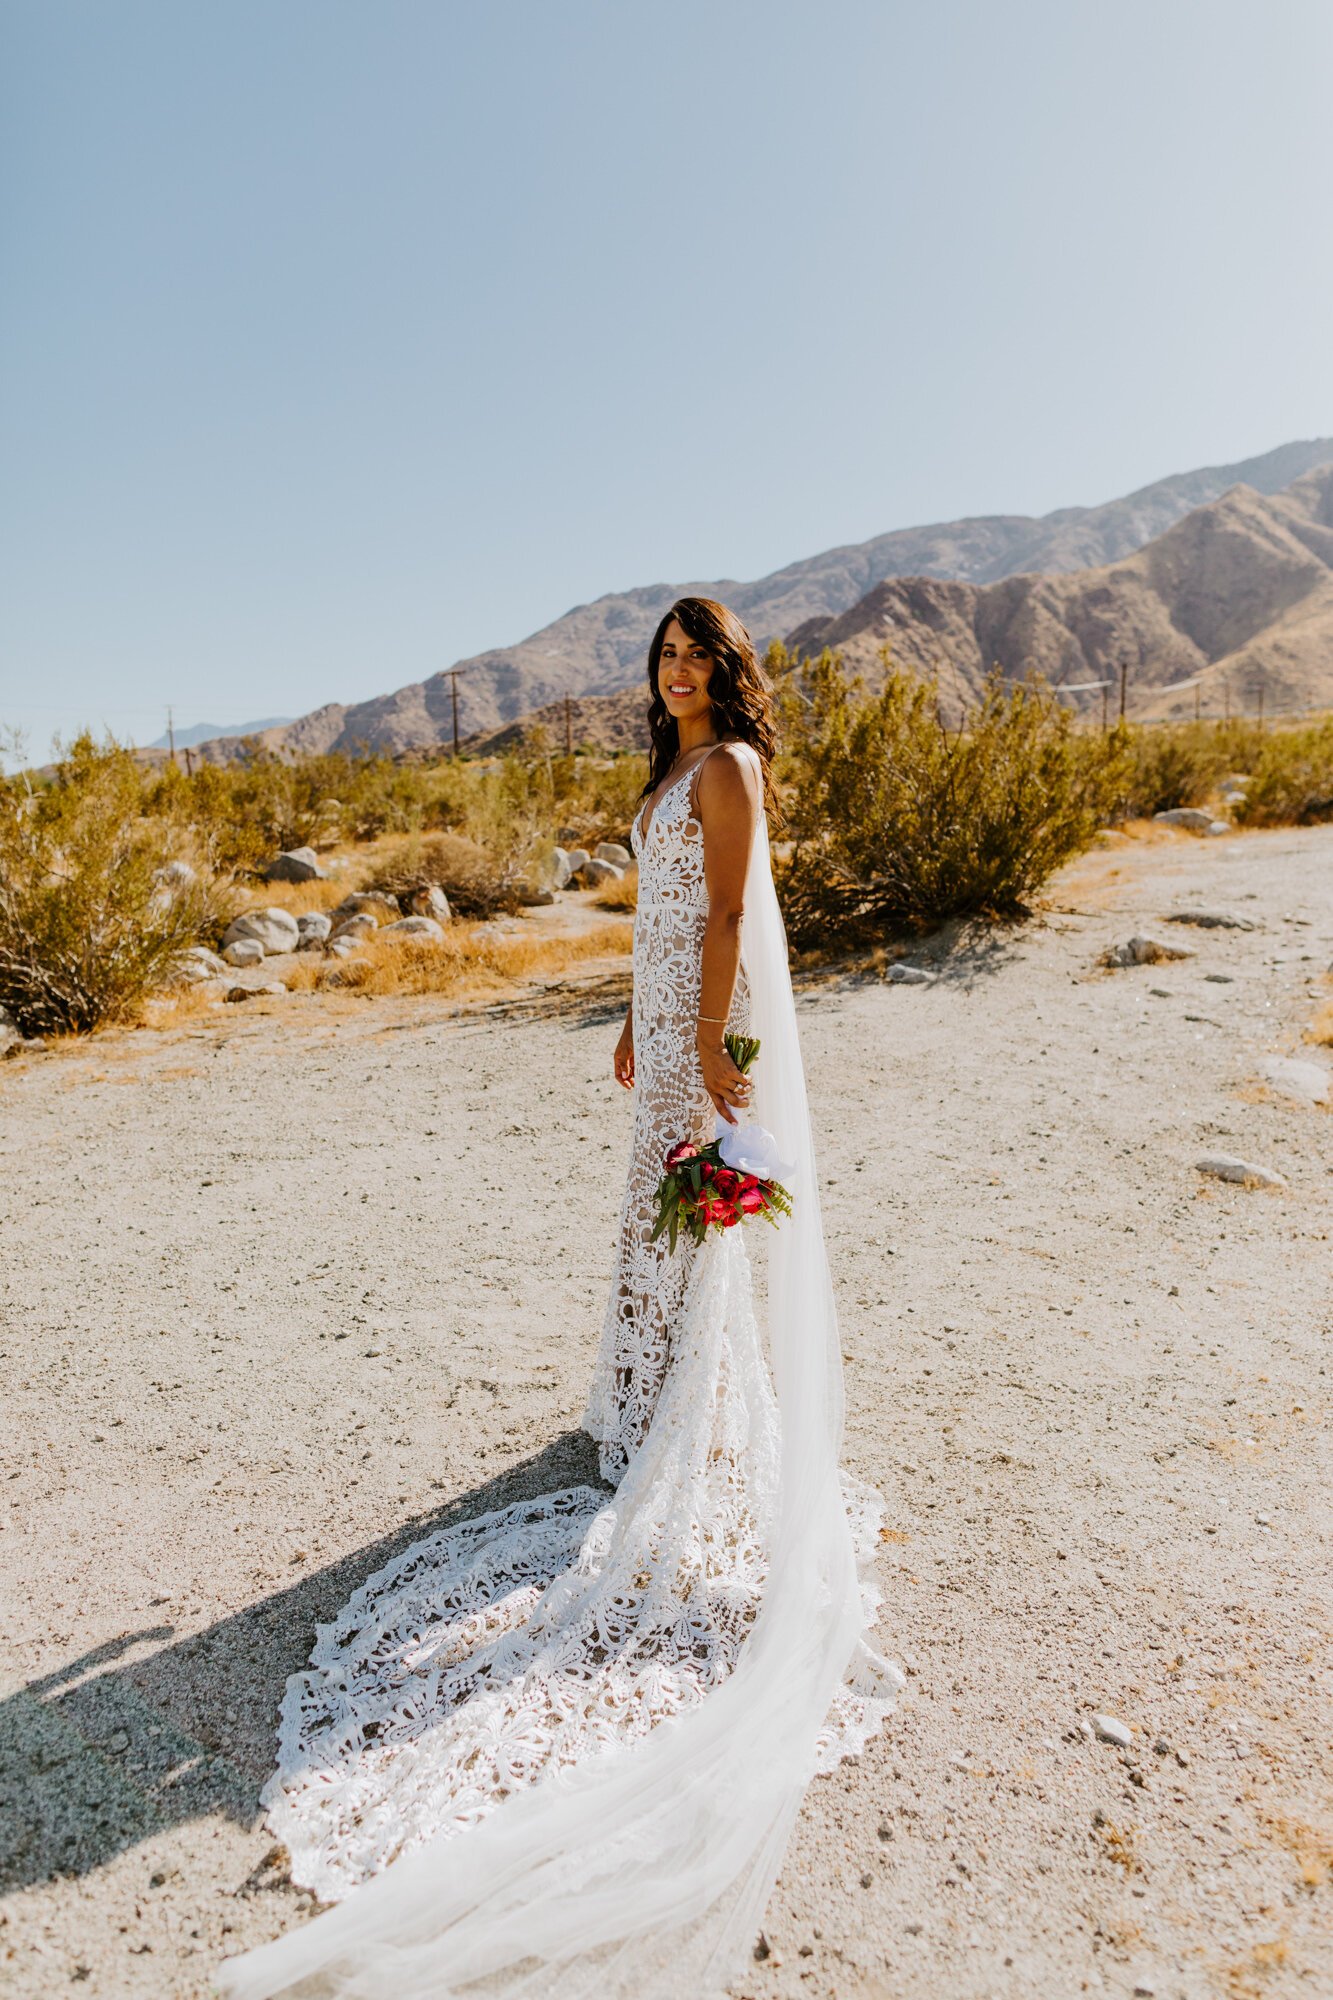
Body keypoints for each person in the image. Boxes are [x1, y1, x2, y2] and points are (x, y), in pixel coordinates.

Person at [219, 597, 903, 2000]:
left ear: (729, 672)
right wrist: (632, 1022)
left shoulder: (729, 773)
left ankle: (692, 1426)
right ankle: (658, 1408)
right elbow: (656, 914)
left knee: (687, 1232)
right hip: (657, 1034)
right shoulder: (666, 770)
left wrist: (711, 1050)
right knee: (649, 1231)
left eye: (695, 657)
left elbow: (720, 910)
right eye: (662, 659)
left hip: (698, 1046)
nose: (677, 674)